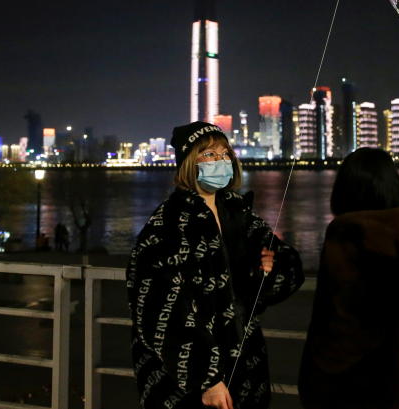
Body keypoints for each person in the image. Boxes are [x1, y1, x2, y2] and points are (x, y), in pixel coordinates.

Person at [126, 121, 303, 409]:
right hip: (184, 386)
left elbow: (289, 266)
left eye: (224, 154)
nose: (219, 161)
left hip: (246, 368)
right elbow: (158, 312)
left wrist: (269, 269)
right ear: (187, 164)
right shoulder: (168, 225)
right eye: (208, 154)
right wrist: (205, 380)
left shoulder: (238, 212)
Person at [299, 147, 399, 409]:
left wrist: (318, 370)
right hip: (389, 376)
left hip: (338, 381)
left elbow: (334, 316)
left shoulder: (346, 235)